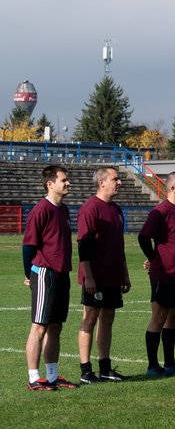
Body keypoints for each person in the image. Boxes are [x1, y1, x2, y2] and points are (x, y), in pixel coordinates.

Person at [23, 165, 79, 390]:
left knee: (56, 326)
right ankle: (34, 378)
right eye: (64, 180)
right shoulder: (41, 210)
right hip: (45, 274)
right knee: (39, 326)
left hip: (62, 274)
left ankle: (53, 376)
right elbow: (28, 247)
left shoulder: (63, 209)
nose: (68, 183)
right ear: (50, 184)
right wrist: (30, 274)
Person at [77, 166, 131, 383]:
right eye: (115, 179)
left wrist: (125, 274)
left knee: (108, 318)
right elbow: (84, 246)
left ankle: (105, 368)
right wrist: (88, 277)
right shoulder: (90, 208)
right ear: (102, 182)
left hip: (113, 275)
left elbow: (120, 247)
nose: (119, 182)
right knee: (90, 319)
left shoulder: (116, 209)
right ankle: (85, 371)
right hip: (95, 276)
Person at [139, 171, 175, 377]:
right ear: (172, 188)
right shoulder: (160, 212)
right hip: (163, 275)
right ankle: (153, 366)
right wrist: (154, 259)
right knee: (159, 317)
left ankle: (170, 363)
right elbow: (144, 237)